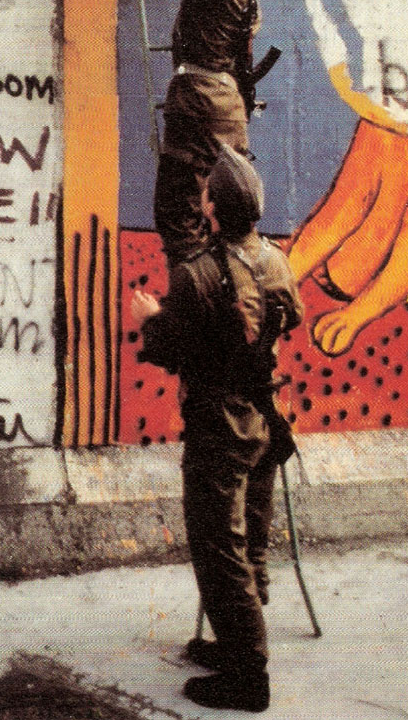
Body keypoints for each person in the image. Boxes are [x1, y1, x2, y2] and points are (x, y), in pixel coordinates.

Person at [131, 146, 303, 713]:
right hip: (261, 417)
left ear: (212, 207)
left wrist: (149, 319)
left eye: (205, 192)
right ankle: (234, 649)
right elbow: (291, 315)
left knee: (217, 545)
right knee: (244, 540)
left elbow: (170, 349)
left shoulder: (198, 273)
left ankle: (248, 674)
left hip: (218, 423)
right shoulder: (275, 260)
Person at [151, 0, 260, 270]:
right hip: (228, 104)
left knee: (179, 205)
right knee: (232, 204)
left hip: (200, 98)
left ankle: (195, 292)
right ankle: (240, 282)